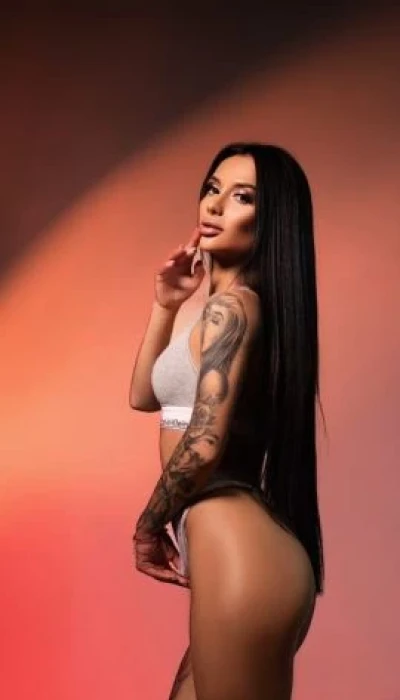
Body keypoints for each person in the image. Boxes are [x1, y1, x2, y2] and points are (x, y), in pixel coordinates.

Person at [130, 142, 325, 700]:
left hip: (238, 551)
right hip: (237, 550)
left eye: (242, 197)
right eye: (212, 189)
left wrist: (148, 526)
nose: (214, 205)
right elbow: (144, 396)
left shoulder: (233, 310)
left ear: (271, 219)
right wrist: (166, 304)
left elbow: (205, 441)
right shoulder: (217, 308)